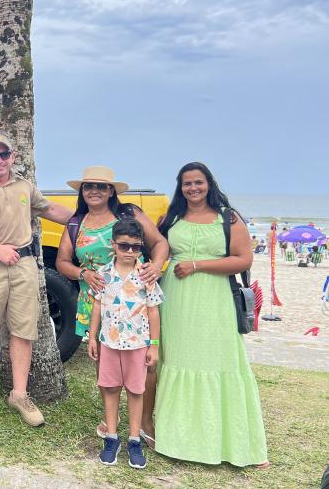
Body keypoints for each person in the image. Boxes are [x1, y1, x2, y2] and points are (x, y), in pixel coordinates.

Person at [0, 134, 73, 426]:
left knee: (23, 329)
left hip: (24, 266)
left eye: (3, 154)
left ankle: (19, 394)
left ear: (12, 156)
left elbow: (51, 210)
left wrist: (90, 219)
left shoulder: (24, 187)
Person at [153, 162, 268, 467]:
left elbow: (243, 260)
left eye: (198, 182)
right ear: (181, 187)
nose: (193, 188)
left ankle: (230, 442)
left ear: (209, 184)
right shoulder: (173, 218)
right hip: (175, 299)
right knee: (177, 358)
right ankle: (177, 438)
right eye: (187, 183)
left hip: (213, 298)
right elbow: (155, 247)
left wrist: (197, 265)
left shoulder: (228, 218)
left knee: (219, 358)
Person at [55, 166, 169, 442]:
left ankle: (145, 422)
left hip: (136, 302)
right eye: (88, 186)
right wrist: (83, 273)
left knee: (145, 365)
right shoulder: (76, 223)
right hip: (96, 303)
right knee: (106, 367)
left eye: (101, 186)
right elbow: (62, 262)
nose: (94, 190)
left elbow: (160, 243)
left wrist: (154, 265)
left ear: (111, 191)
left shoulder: (128, 214)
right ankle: (112, 422)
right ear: (82, 191)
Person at [87, 218, 162, 469]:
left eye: (136, 247)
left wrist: (154, 345)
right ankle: (111, 437)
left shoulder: (145, 276)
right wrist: (93, 336)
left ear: (141, 248)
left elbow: (153, 311)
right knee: (109, 388)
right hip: (109, 343)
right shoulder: (103, 274)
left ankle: (133, 440)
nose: (130, 251)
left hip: (138, 345)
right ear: (113, 245)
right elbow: (97, 305)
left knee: (135, 390)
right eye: (124, 246)